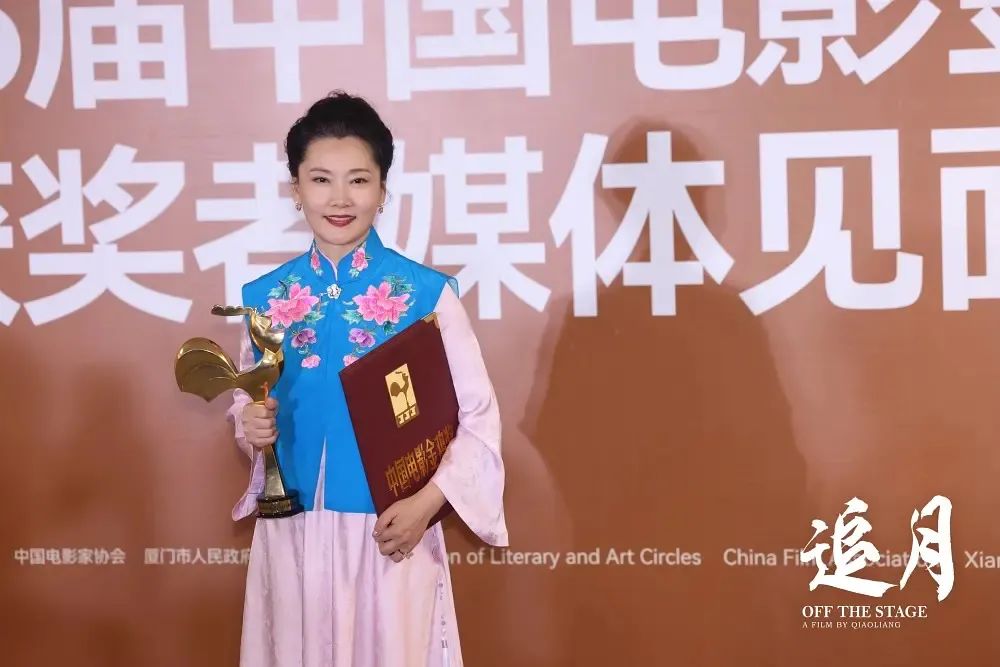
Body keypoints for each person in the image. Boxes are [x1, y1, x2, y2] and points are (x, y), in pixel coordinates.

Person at [226, 91, 509, 667]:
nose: (339, 198)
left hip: (390, 530)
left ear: (382, 191)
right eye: (320, 180)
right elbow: (248, 404)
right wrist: (249, 425)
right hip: (292, 532)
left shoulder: (427, 296)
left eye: (358, 180)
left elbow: (479, 419)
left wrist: (426, 505)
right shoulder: (264, 300)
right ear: (296, 189)